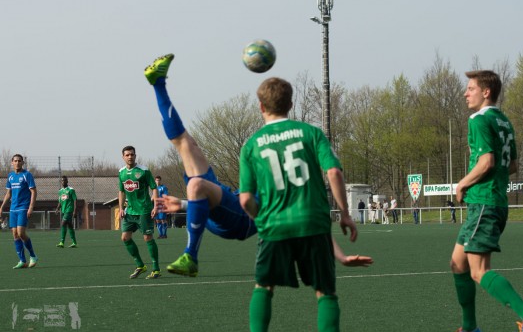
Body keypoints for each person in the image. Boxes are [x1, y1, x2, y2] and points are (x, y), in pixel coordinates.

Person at [144, 54, 373, 277]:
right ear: (290, 106)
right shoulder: (269, 144)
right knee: (186, 143)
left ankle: (190, 256)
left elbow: (307, 217)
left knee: (196, 185)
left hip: (241, 219)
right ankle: (158, 83)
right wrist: (185, 204)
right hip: (229, 204)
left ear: (261, 107)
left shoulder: (283, 167)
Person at [239, 77, 362, 332]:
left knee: (263, 287)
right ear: (291, 104)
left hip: (274, 226)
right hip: (313, 223)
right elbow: (334, 173)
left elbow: (245, 199)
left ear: (261, 107)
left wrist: (260, 219)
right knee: (325, 292)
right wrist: (345, 214)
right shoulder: (312, 133)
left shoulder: (251, 145)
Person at [451, 70, 523, 332]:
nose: (466, 93)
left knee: (479, 271)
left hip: (484, 204)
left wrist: (464, 183)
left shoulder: (478, 120)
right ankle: (469, 329)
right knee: (458, 264)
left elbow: (487, 161)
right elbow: (512, 164)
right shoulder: (503, 120)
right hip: (493, 203)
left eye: (470, 88)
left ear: (486, 92)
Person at [118, 145, 161, 280]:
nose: (130, 157)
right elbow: (121, 191)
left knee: (147, 238)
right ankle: (140, 265)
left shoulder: (143, 171)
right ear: (123, 157)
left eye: (132, 154)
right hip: (130, 211)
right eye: (127, 155)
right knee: (125, 238)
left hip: (144, 210)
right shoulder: (121, 172)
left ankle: (156, 269)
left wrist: (155, 205)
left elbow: (154, 188)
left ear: (135, 156)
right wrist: (120, 208)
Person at [0, 154, 38, 269]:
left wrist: (31, 207)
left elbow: (33, 191)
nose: (17, 163)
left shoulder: (27, 175)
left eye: (19, 161)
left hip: (23, 207)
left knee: (21, 233)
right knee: (15, 234)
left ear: (22, 163)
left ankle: (33, 256)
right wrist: (1, 207)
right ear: (12, 162)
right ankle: (22, 261)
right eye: (15, 161)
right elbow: (8, 193)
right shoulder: (10, 176)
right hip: (13, 208)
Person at [55, 176, 78, 248]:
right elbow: (60, 201)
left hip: (69, 210)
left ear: (67, 181)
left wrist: (74, 211)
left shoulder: (71, 190)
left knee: (63, 223)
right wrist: (57, 208)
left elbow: (75, 200)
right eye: (62, 181)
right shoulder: (60, 191)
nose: (63, 182)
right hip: (63, 210)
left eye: (64, 180)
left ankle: (62, 242)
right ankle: (74, 242)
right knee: (70, 225)